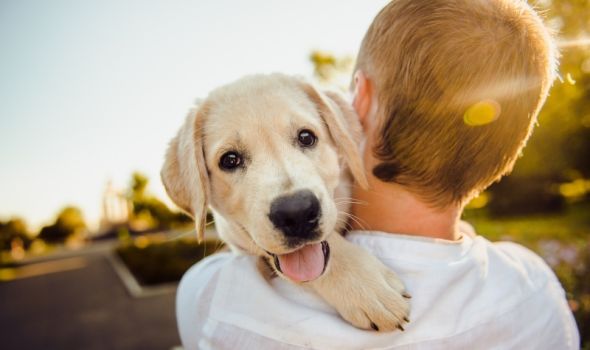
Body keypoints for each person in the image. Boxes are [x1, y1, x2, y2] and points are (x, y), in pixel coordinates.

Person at [176, 0, 580, 348]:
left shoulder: (214, 301)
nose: (292, 196)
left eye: (304, 137)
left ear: (359, 103)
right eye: (232, 160)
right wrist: (335, 265)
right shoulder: (538, 292)